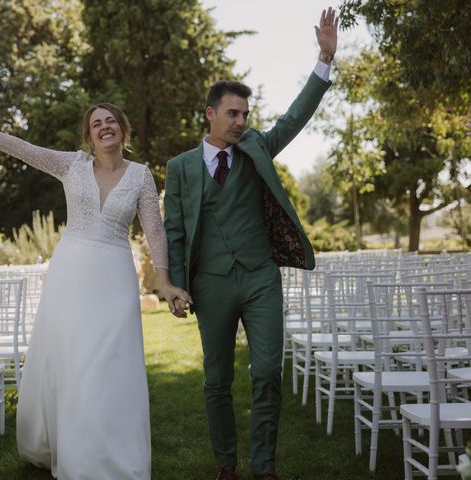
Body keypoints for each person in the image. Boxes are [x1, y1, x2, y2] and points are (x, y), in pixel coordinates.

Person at [0, 99, 191, 479]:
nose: (105, 126)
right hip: (71, 275)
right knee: (75, 362)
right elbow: (21, 148)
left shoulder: (141, 175)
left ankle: (113, 454)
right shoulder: (71, 165)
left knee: (110, 364)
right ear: (88, 135)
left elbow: (155, 231)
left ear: (123, 131)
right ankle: (76, 453)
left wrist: (166, 282)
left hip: (114, 276)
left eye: (112, 121)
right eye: (97, 123)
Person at [163, 7, 338, 480]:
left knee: (266, 372)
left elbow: (295, 118)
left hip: (261, 277)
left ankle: (263, 466)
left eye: (245, 113)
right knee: (217, 381)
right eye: (232, 113)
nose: (241, 121)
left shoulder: (257, 145)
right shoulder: (180, 168)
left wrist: (323, 61)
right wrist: (176, 285)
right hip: (211, 283)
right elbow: (175, 229)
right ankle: (226, 463)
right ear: (210, 114)